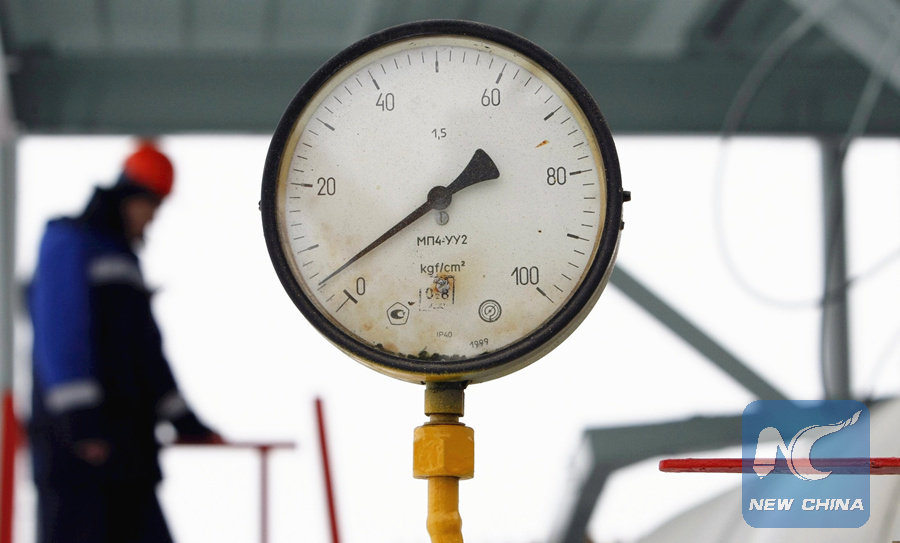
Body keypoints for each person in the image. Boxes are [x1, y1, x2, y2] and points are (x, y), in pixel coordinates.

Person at [28, 140, 224, 543]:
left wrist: (185, 421)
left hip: (127, 454)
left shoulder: (124, 261)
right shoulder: (68, 241)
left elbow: (146, 355)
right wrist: (81, 423)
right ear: (130, 197)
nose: (151, 220)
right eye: (151, 207)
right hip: (79, 457)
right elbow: (61, 334)